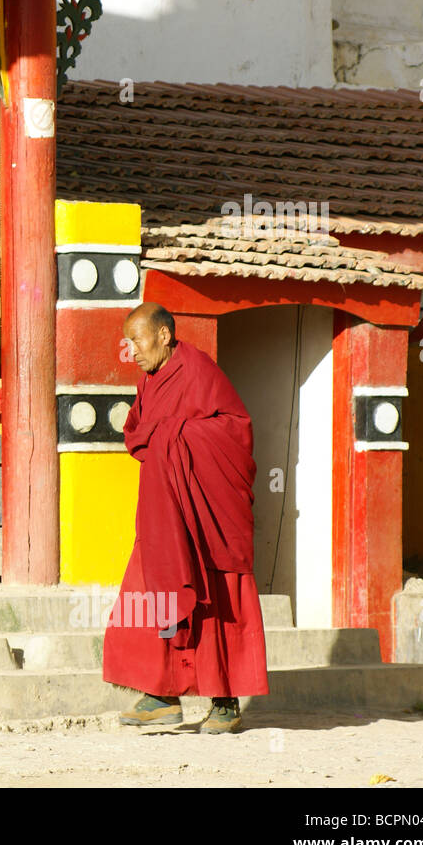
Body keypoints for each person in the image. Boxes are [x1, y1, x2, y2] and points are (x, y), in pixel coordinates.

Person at [103, 302, 269, 734]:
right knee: (151, 589)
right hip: (166, 511)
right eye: (128, 342)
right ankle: (161, 695)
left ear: (162, 335)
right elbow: (139, 432)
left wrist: (175, 436)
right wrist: (165, 437)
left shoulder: (198, 370)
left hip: (205, 512)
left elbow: (236, 428)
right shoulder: (151, 379)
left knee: (215, 596)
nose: (132, 350)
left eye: (136, 340)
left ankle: (226, 702)